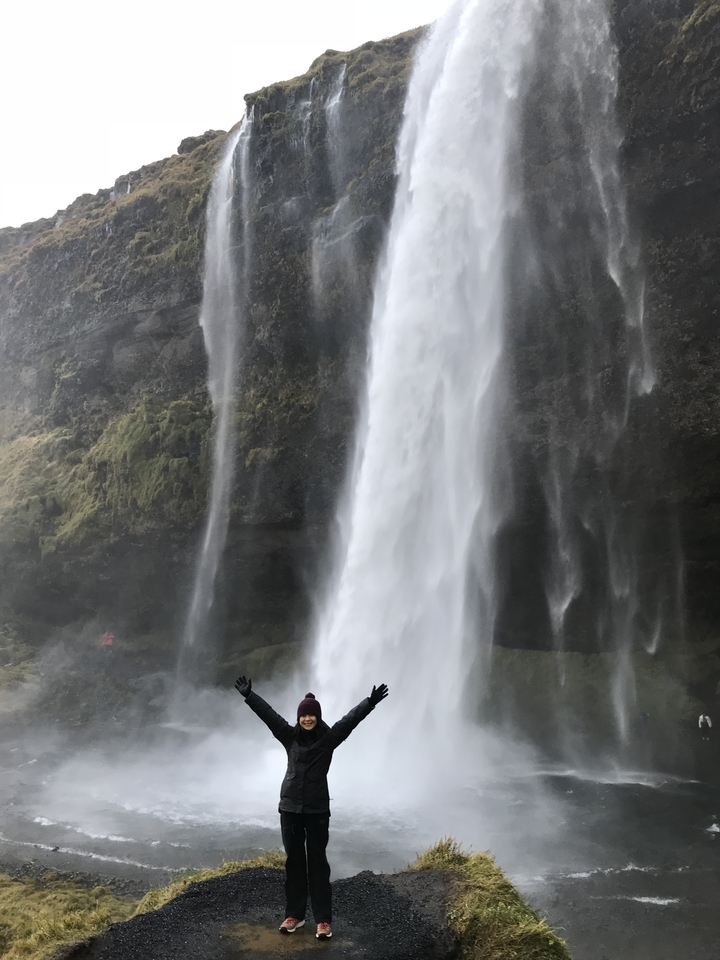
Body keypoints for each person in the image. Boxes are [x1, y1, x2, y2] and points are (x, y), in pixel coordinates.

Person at [234, 676, 388, 940]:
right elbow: (269, 716)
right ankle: (295, 915)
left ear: (317, 717)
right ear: (299, 718)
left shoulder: (328, 740)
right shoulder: (288, 736)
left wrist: (370, 702)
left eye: (311, 716)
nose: (307, 719)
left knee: (318, 863)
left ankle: (324, 920)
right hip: (291, 808)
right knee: (294, 862)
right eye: (303, 716)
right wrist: (250, 696)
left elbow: (349, 721)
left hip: (317, 810)